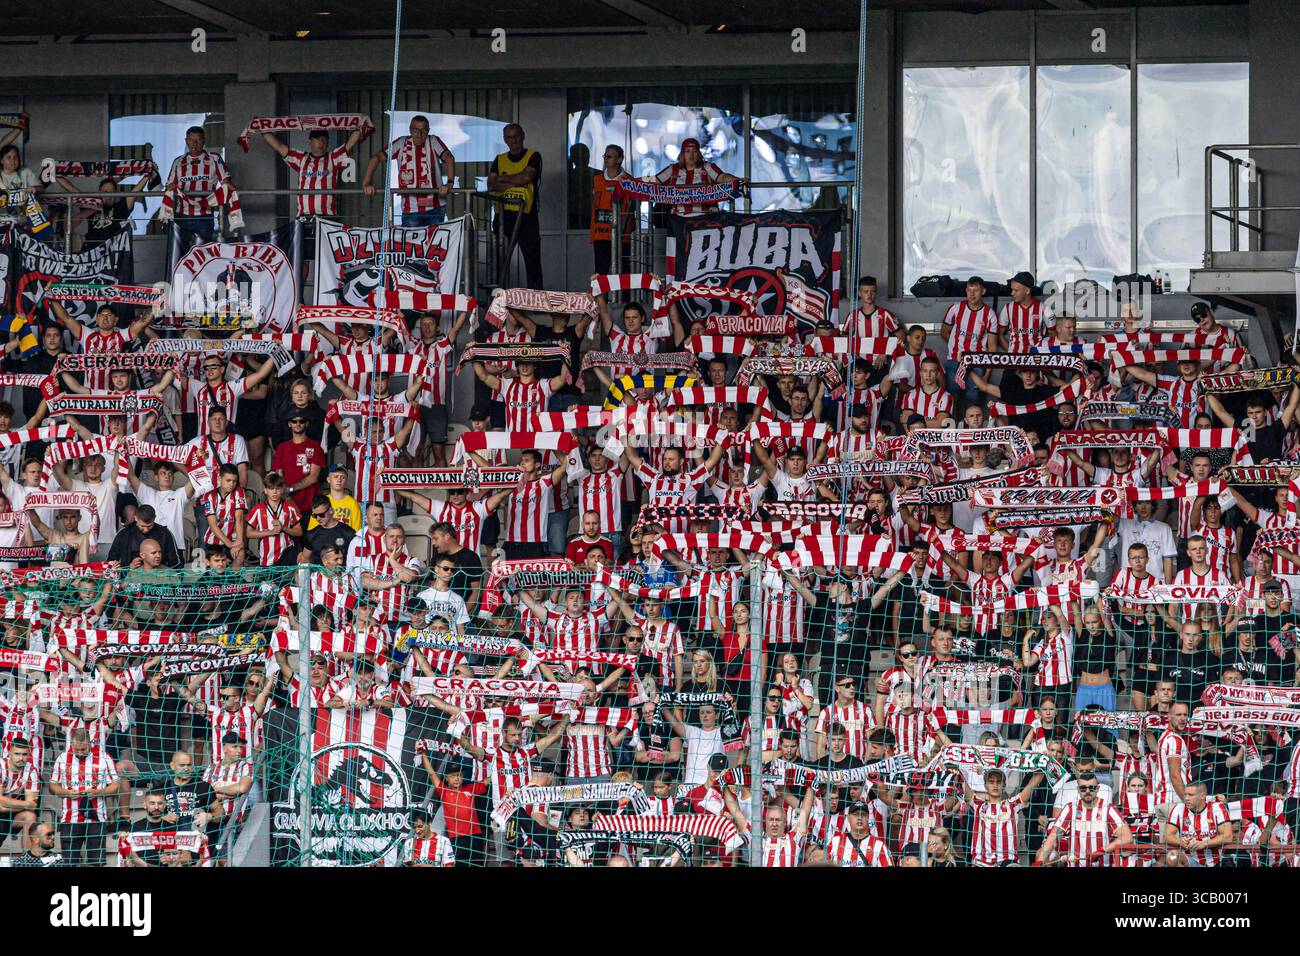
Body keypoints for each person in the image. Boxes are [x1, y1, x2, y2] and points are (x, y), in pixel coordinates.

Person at [363, 115, 455, 227]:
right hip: (411, 209)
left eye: (423, 130)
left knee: (434, 243)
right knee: (412, 243)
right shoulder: (401, 143)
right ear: (410, 130)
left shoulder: (433, 141)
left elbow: (449, 158)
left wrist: (450, 183)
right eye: (416, 130)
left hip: (436, 207)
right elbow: (376, 158)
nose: (420, 134)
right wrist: (366, 183)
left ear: (428, 131)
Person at [261, 125, 368, 218]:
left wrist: (360, 124)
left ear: (327, 142)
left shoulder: (333, 158)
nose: (321, 142)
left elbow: (350, 144)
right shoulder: (301, 158)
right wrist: (262, 128)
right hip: (303, 216)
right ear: (310, 141)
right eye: (317, 139)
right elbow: (279, 146)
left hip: (327, 216)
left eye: (324, 139)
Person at [487, 123, 544, 288]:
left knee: (532, 261)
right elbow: (491, 184)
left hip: (527, 216)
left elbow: (527, 177)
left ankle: (536, 303)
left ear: (523, 135)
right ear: (505, 140)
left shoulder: (534, 156)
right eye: (509, 137)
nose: (513, 140)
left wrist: (503, 179)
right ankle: (499, 302)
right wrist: (516, 181)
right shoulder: (500, 159)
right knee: (498, 262)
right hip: (503, 218)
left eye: (516, 136)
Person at [160, 126, 238, 241]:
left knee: (202, 254)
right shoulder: (178, 161)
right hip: (182, 216)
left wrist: (227, 190)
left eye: (198, 140)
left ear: (204, 141)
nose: (194, 144)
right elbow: (169, 186)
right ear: (186, 141)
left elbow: (226, 182)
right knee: (180, 253)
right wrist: (170, 188)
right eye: (191, 140)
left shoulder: (214, 159)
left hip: (204, 216)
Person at [271, 411, 326, 516]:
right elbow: (279, 477)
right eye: (294, 421)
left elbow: (313, 477)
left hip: (310, 505)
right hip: (287, 503)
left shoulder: (316, 447)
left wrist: (289, 490)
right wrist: (286, 496)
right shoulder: (282, 448)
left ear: (307, 423)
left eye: (302, 421)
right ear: (289, 424)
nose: (298, 424)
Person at [589, 144, 632, 274]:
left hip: (622, 236)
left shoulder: (629, 181)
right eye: (605, 156)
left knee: (622, 272)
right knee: (600, 272)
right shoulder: (596, 180)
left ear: (619, 159)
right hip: (600, 234)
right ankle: (600, 295)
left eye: (609, 156)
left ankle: (624, 295)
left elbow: (634, 207)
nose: (606, 159)